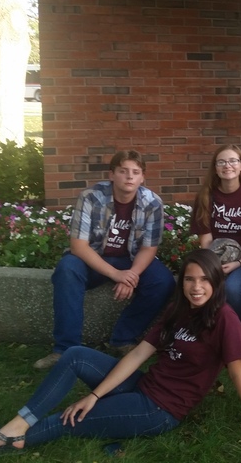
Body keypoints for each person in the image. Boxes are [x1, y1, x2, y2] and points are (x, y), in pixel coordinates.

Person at [0, 249, 241, 458]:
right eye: (189, 279)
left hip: (160, 410)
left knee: (67, 422)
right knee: (76, 355)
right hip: (143, 386)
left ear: (217, 282)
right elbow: (137, 354)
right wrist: (95, 394)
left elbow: (239, 375)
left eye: (204, 280)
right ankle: (18, 424)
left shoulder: (225, 320)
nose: (196, 287)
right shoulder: (177, 308)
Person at [34, 150, 175, 370]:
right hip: (94, 259)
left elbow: (149, 248)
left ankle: (122, 339)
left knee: (163, 281)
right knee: (67, 270)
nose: (129, 177)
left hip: (130, 259)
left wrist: (132, 275)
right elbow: (78, 246)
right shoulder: (91, 196)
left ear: (142, 178)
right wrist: (116, 275)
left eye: (135, 172)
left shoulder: (152, 203)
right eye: (123, 171)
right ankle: (65, 350)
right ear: (112, 175)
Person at [190, 144, 241, 322]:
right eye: (221, 162)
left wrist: (238, 263)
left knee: (232, 288)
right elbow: (206, 240)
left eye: (233, 161)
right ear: (215, 169)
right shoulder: (206, 196)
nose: (227, 165)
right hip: (215, 257)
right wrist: (212, 266)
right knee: (194, 285)